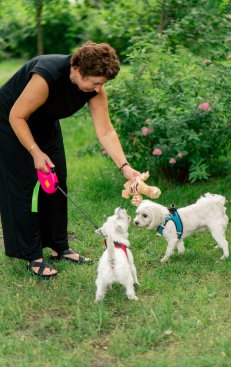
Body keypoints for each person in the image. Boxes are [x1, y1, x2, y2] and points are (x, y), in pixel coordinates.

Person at [0, 41, 140, 279]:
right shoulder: (47, 75)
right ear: (77, 70)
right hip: (11, 123)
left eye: (102, 84)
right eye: (95, 82)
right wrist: (35, 152)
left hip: (45, 124)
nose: (98, 88)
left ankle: (59, 247)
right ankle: (33, 256)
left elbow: (106, 131)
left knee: (56, 183)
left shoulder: (94, 88)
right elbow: (17, 115)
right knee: (25, 188)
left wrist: (125, 167)